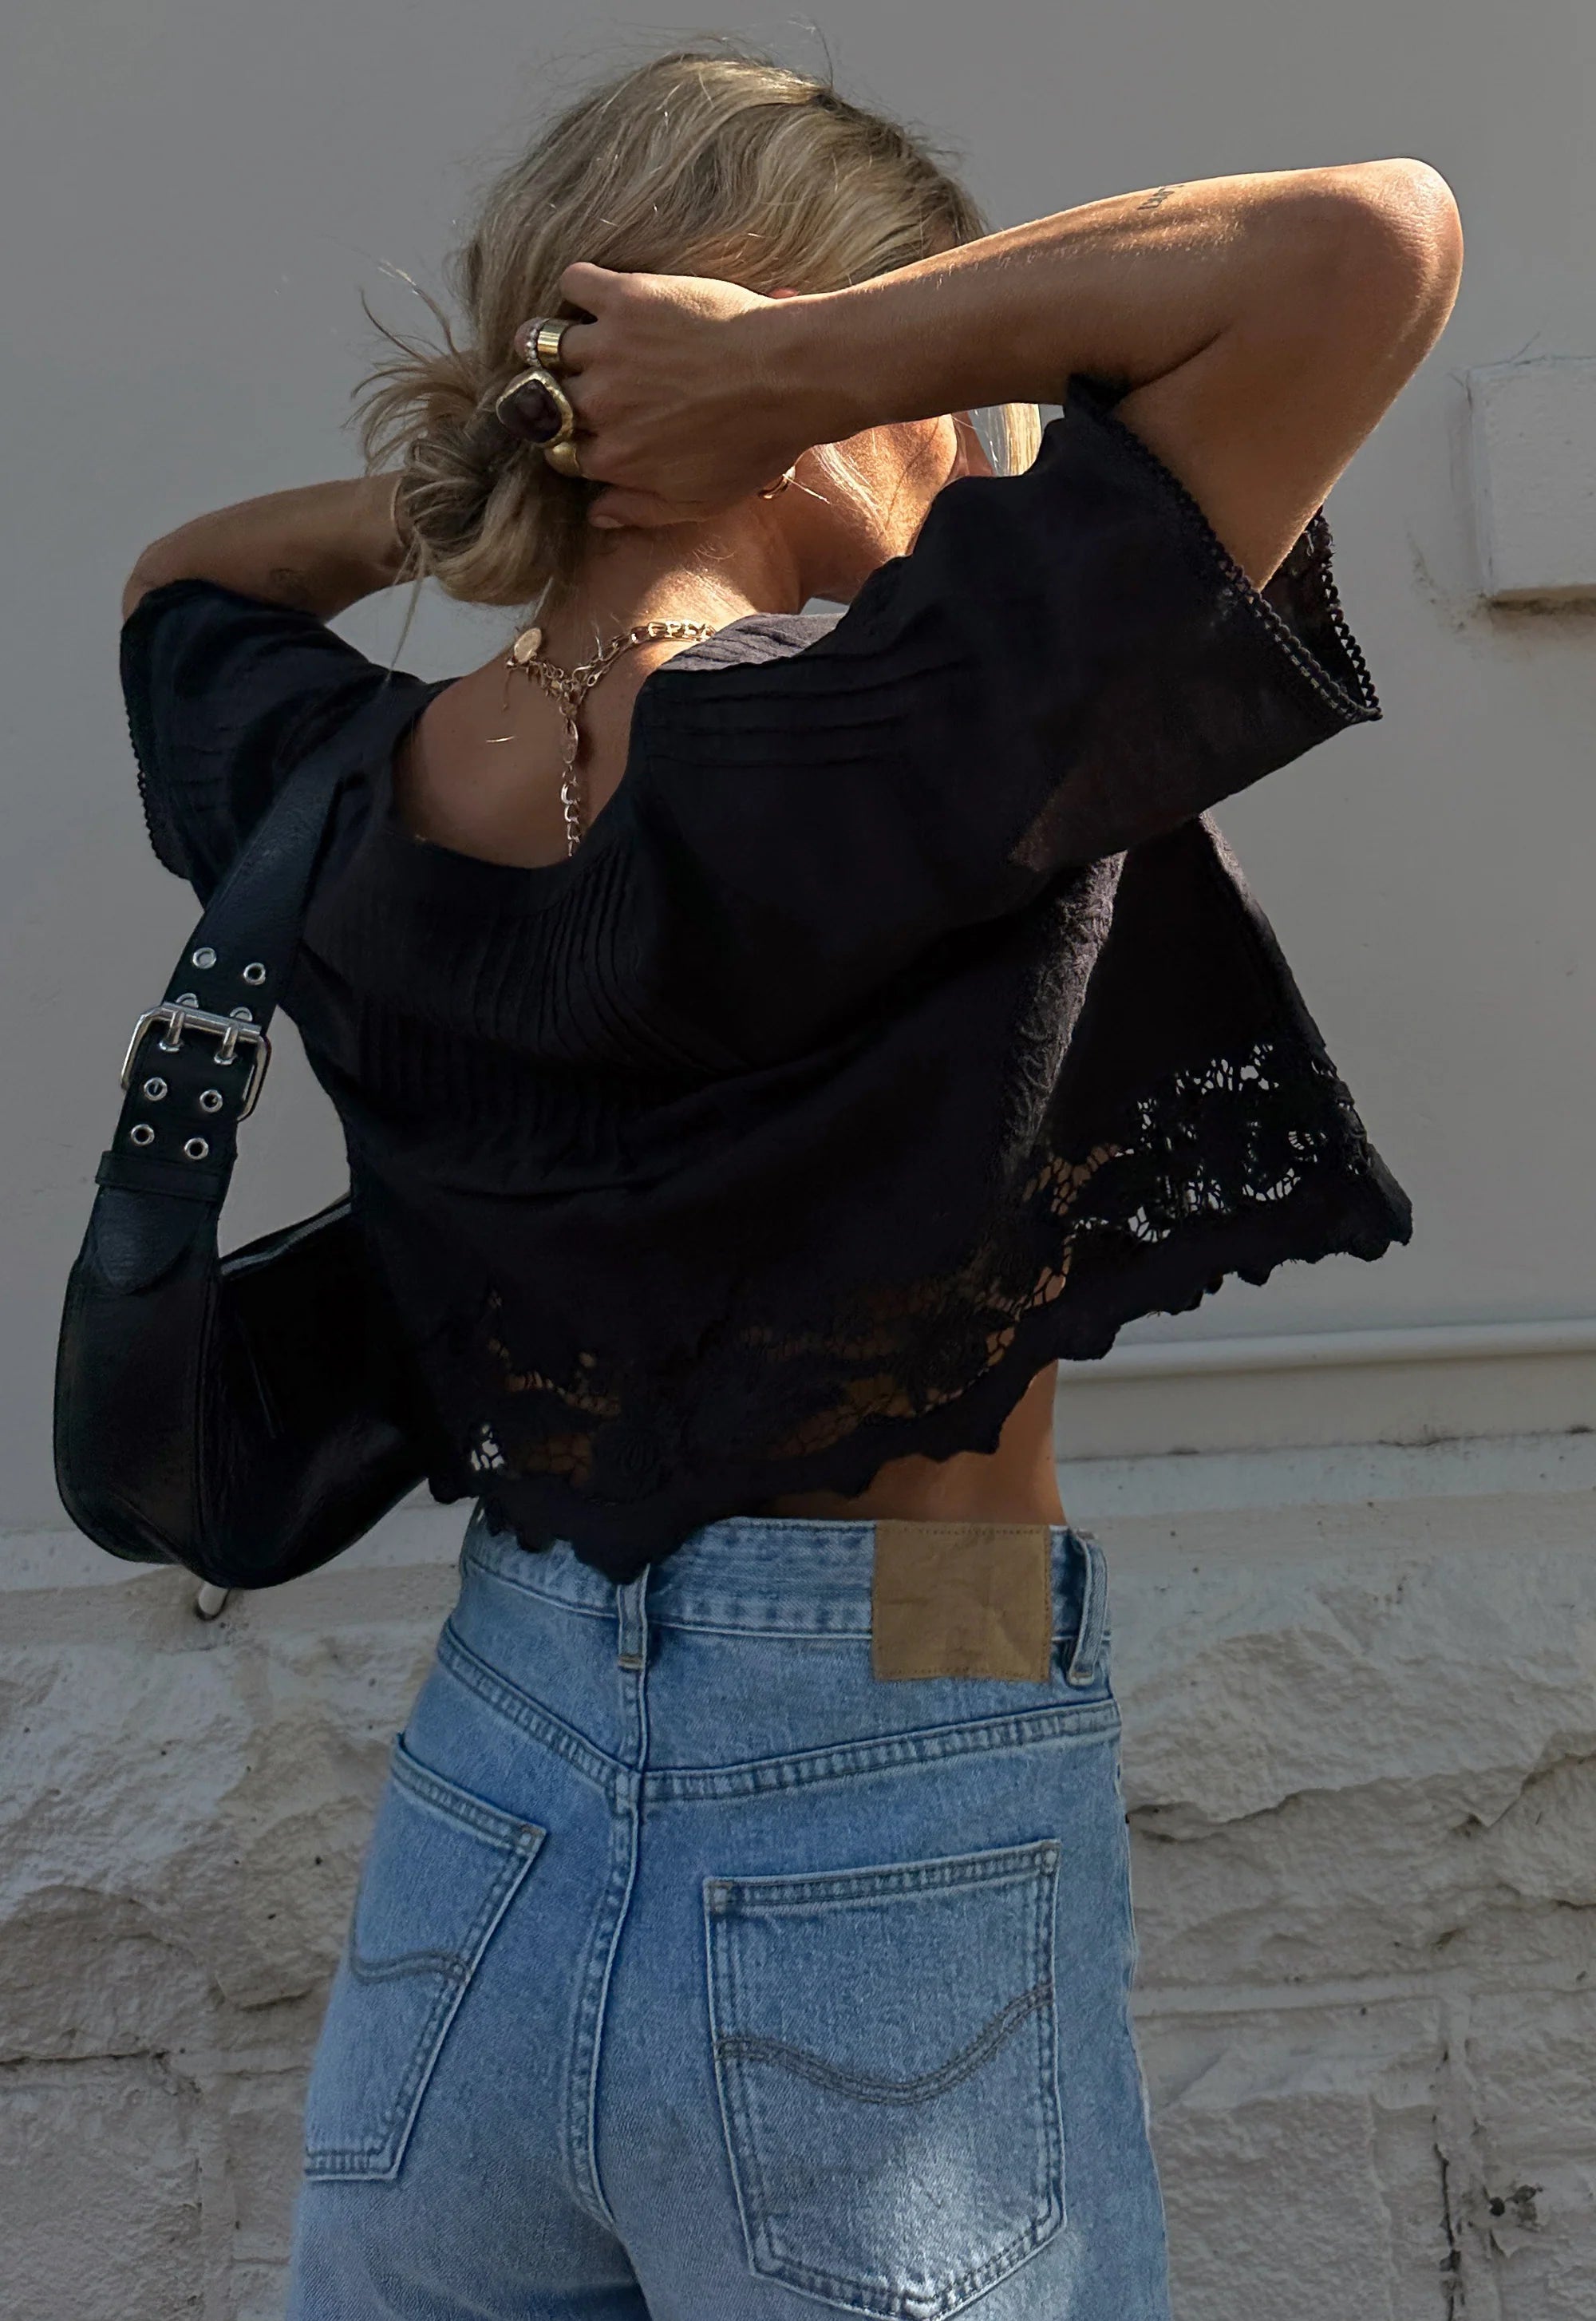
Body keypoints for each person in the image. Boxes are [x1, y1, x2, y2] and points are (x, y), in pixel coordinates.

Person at [118, 46, 1462, 2321]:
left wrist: (477, 499)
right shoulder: (921, 720)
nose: (990, 444)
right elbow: (1375, 242)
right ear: (795, 378)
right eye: (956, 375)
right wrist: (805, 368)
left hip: (494, 1787)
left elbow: (179, 586)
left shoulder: (353, 777)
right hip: (886, 1768)